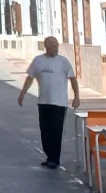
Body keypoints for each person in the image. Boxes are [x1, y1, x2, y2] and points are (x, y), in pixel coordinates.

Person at [17, 36, 80, 169]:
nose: (55, 48)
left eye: (57, 45)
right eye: (53, 46)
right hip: (43, 102)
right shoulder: (38, 61)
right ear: (46, 47)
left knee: (56, 131)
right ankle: (49, 156)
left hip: (59, 103)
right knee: (45, 131)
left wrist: (77, 96)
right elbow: (30, 78)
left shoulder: (63, 62)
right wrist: (23, 93)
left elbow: (73, 79)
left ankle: (54, 160)